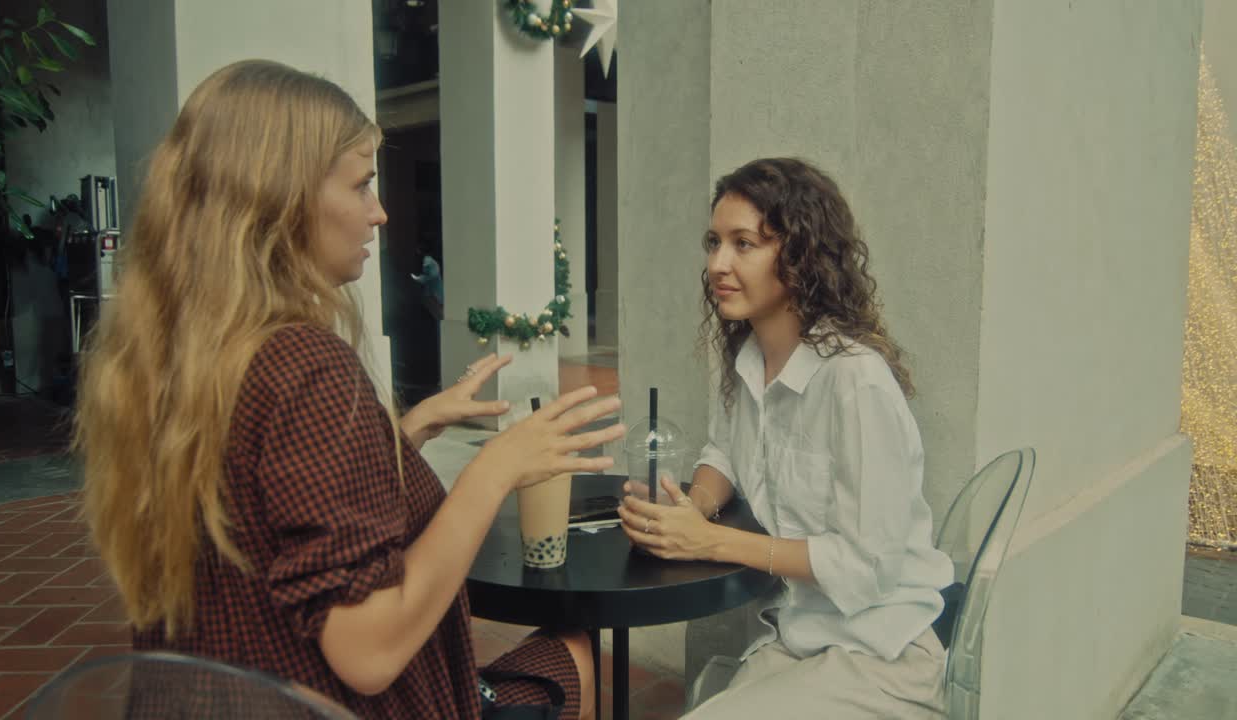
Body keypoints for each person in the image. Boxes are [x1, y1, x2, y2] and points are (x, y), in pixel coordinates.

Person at [74, 60, 624, 720]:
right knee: (574, 651)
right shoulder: (301, 364)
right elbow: (370, 653)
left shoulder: (175, 359)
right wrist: (496, 469)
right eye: (362, 185)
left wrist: (403, 432)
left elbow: (264, 502)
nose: (381, 213)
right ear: (277, 197)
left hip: (223, 696)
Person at [618, 158, 954, 718]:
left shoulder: (855, 380)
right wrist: (688, 506)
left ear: (800, 256)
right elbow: (724, 452)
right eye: (714, 242)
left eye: (744, 244)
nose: (717, 264)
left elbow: (866, 566)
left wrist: (707, 541)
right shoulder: (751, 361)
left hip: (882, 655)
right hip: (797, 638)